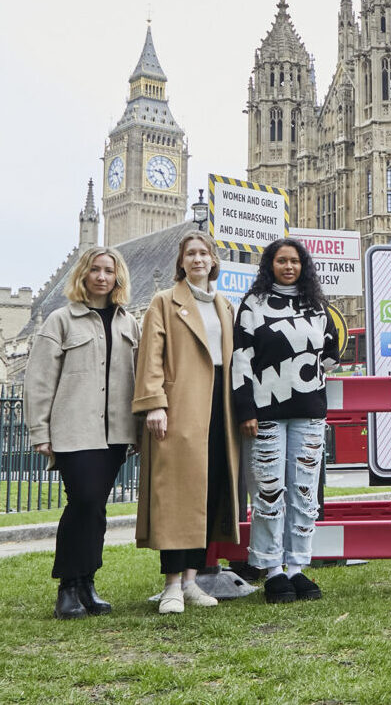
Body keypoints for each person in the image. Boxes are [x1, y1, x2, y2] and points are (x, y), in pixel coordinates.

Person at [25, 246, 138, 619]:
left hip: (116, 432)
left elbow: (139, 379)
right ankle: (68, 586)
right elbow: (39, 380)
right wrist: (40, 430)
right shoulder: (61, 320)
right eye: (95, 270)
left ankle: (87, 583)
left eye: (109, 271)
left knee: (96, 507)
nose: (102, 277)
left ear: (117, 277)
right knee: (84, 501)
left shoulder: (128, 323)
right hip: (75, 428)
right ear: (83, 276)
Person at [133, 231, 241, 614]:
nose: (198, 259)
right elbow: (151, 357)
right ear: (181, 262)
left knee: (206, 493)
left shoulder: (224, 305)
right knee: (175, 497)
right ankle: (171, 586)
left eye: (204, 253)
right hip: (179, 406)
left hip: (218, 407)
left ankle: (192, 580)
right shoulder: (164, 301)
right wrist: (155, 405)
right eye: (190, 254)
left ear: (214, 261)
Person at [232, 238, 339, 604]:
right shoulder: (253, 305)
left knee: (304, 492)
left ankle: (297, 566)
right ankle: (271, 568)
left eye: (294, 261)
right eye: (282, 261)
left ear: (303, 265)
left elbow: (331, 351)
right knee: (268, 491)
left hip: (308, 413)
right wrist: (247, 407)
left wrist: (303, 381)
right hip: (264, 414)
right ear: (270, 265)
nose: (289, 267)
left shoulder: (316, 305)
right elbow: (241, 359)